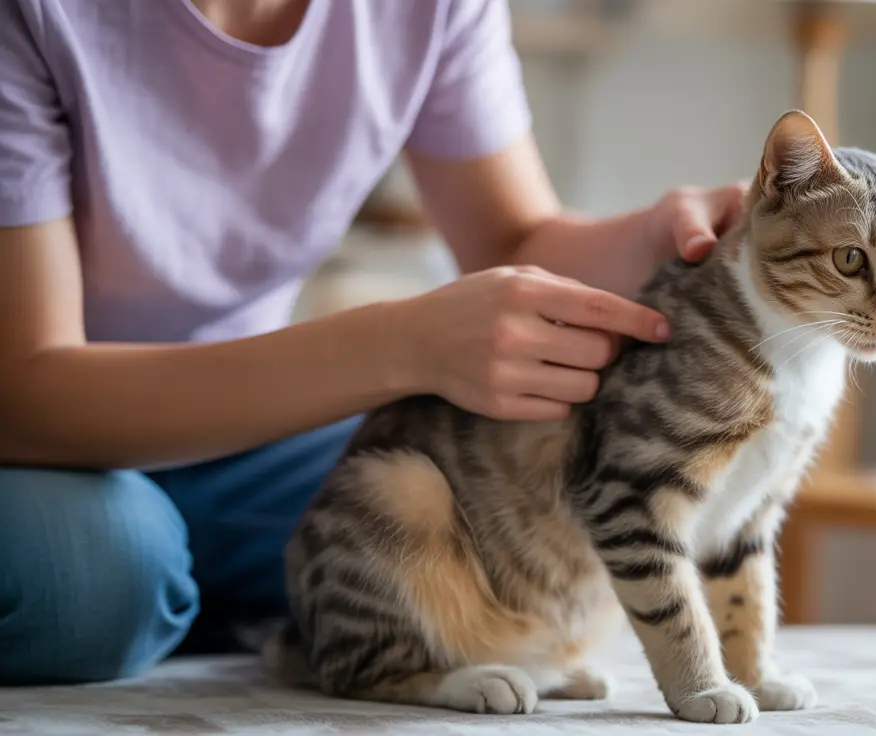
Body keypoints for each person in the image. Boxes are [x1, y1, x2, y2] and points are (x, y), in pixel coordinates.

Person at [0, 0, 747, 685]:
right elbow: (25, 393)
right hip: (40, 440)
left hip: (251, 432)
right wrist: (398, 341)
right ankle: (200, 595)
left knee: (523, 502)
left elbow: (513, 240)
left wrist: (653, 237)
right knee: (87, 581)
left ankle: (230, 604)